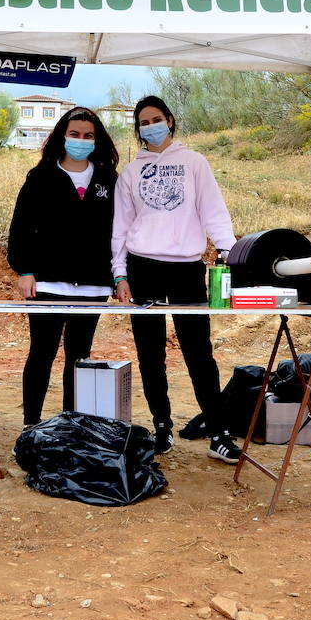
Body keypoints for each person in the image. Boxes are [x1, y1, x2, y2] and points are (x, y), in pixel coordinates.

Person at [111, 95, 241, 463]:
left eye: (156, 119)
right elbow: (120, 228)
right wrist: (119, 274)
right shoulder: (131, 174)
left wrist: (229, 250)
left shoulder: (194, 163)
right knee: (150, 355)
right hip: (142, 268)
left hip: (186, 268)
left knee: (199, 353)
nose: (150, 126)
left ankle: (219, 432)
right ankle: (162, 428)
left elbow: (213, 210)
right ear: (138, 130)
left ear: (169, 120)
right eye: (142, 122)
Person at [7, 106, 120, 428]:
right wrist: (24, 270)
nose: (81, 141)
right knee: (41, 354)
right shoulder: (41, 176)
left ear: (97, 141)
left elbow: (120, 230)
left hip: (94, 283)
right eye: (74, 134)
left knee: (78, 356)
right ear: (62, 137)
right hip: (47, 283)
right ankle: (31, 424)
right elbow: (21, 227)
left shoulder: (109, 179)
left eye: (88, 136)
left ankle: (70, 423)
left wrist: (119, 275)